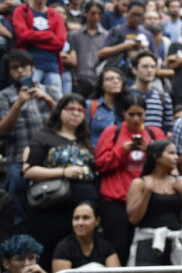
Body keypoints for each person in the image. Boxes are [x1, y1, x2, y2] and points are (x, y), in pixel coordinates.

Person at [23, 93, 99, 272]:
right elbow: (29, 171)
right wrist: (63, 172)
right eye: (70, 109)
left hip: (83, 212)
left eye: (81, 110)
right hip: (53, 210)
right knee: (50, 255)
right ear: (59, 112)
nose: (76, 113)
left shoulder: (85, 141)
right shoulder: (44, 137)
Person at [94, 93, 166, 263]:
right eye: (131, 114)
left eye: (140, 114)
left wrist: (150, 151)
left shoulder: (155, 133)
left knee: (145, 248)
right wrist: (121, 150)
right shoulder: (112, 132)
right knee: (118, 246)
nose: (135, 119)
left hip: (146, 200)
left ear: (145, 114)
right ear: (123, 114)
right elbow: (99, 164)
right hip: (115, 200)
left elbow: (166, 164)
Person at [0, 50, 61, 234]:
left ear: (33, 69)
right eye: (15, 68)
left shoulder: (50, 91)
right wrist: (18, 104)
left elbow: (68, 122)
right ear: (9, 72)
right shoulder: (4, 96)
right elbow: (2, 130)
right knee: (18, 207)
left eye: (25, 67)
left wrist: (48, 100)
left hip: (50, 160)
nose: (21, 72)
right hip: (18, 159)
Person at [126, 140, 182, 266]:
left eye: (177, 153)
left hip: (175, 242)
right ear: (157, 156)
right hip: (147, 244)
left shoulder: (180, 184)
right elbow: (133, 218)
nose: (176, 157)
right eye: (171, 153)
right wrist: (147, 192)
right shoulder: (140, 183)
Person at [13, 0, 67, 90]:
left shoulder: (56, 16)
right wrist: (48, 35)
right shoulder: (21, 11)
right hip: (28, 67)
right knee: (28, 101)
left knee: (54, 102)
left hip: (52, 66)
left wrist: (33, 39)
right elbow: (22, 36)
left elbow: (60, 43)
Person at [51, 202, 121, 272]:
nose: (80, 223)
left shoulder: (106, 248)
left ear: (97, 221)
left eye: (86, 218)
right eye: (76, 218)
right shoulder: (63, 249)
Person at [69, 1, 108, 97]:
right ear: (85, 13)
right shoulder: (75, 35)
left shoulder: (106, 36)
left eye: (99, 14)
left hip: (97, 81)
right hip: (79, 80)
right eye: (93, 13)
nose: (96, 17)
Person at [131, 51, 173, 137]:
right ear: (134, 70)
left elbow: (167, 129)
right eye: (145, 67)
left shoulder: (164, 98)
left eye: (153, 67)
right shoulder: (125, 95)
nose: (149, 70)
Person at [86, 68, 127, 148]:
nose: (116, 81)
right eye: (110, 79)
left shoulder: (126, 107)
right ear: (102, 85)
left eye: (119, 79)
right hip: (95, 153)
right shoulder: (90, 105)